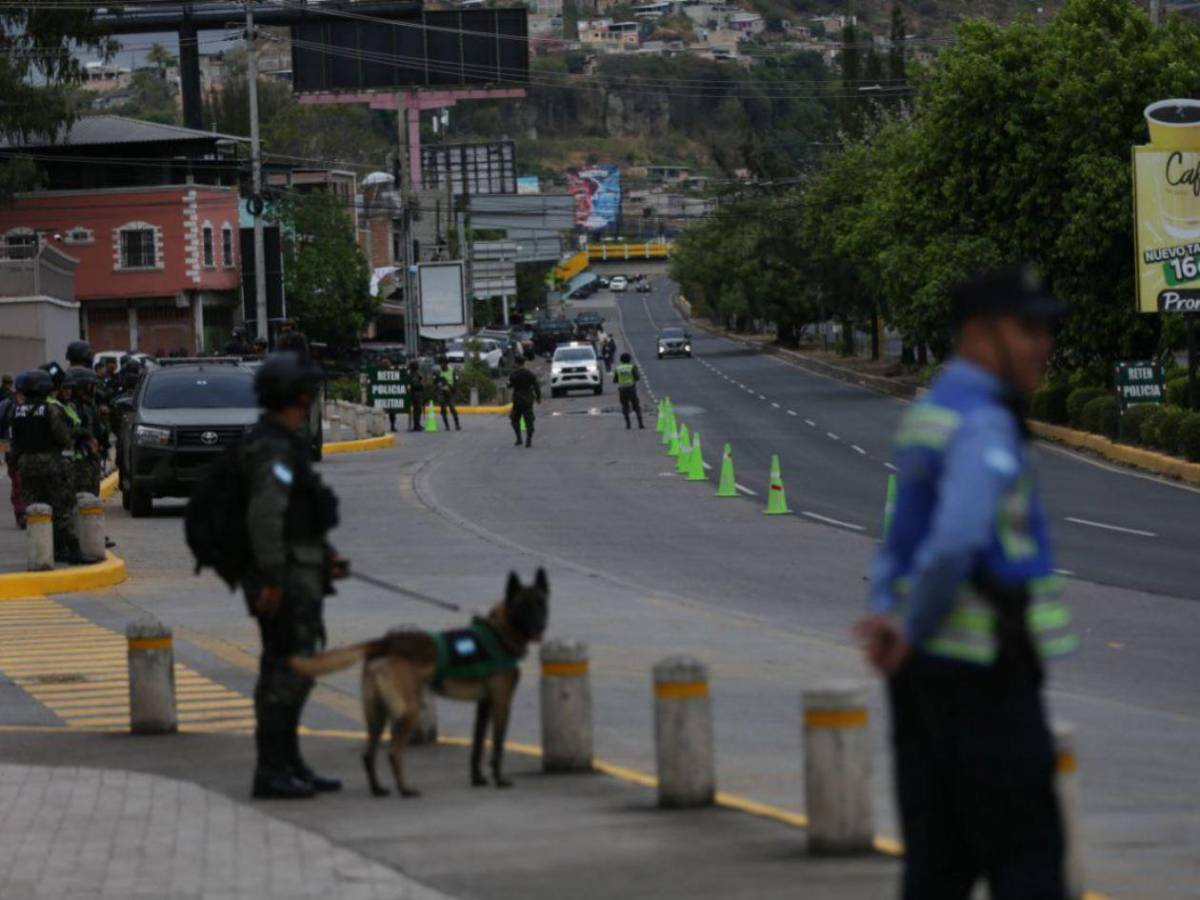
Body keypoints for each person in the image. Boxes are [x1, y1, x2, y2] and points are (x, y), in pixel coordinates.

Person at [856, 266, 1076, 900]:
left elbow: (902, 538)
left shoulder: (934, 410)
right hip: (985, 673)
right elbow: (955, 541)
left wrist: (889, 616)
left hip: (921, 676)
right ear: (980, 334)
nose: (1043, 345)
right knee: (1028, 862)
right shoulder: (983, 421)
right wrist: (911, 624)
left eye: (1047, 330)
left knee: (938, 868)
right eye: (1028, 329)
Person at [241, 352, 347, 800]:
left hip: (298, 568)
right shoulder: (274, 450)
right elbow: (266, 516)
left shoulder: (280, 443)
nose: (309, 404)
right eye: (305, 396)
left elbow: (298, 514)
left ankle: (289, 762)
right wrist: (273, 578)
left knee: (290, 670)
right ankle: (272, 770)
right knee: (287, 673)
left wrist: (325, 555)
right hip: (284, 578)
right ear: (292, 398)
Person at [11, 370, 93, 564]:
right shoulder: (51, 409)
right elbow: (62, 437)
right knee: (61, 507)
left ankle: (42, 552)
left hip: (26, 464)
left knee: (35, 508)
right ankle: (72, 550)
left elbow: (15, 442)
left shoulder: (18, 411)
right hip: (51, 464)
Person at [0, 374, 24, 528]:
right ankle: (20, 513)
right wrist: (4, 451)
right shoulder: (7, 404)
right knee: (17, 482)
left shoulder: (30, 404)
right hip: (12, 450)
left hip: (26, 450)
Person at [507, 355, 541, 448]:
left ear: (516, 363)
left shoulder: (514, 374)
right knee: (529, 420)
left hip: (517, 400)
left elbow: (509, 385)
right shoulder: (529, 374)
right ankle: (528, 440)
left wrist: (509, 383)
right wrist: (538, 397)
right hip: (528, 399)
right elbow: (536, 386)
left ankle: (519, 438)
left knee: (514, 419)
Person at [613, 352, 644, 430]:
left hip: (622, 390)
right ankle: (640, 424)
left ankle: (628, 425)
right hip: (631, 389)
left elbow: (615, 380)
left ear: (621, 360)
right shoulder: (632, 367)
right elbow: (637, 378)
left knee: (625, 406)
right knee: (636, 406)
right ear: (629, 359)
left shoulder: (618, 368)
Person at [433, 357, 461, 431]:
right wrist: (438, 385)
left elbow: (456, 381)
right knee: (443, 409)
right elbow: (434, 382)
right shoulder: (438, 372)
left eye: (444, 363)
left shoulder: (452, 371)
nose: (442, 365)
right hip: (442, 392)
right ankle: (447, 426)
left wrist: (454, 389)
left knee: (452, 407)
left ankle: (457, 424)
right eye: (441, 363)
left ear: (446, 364)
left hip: (450, 392)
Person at [406, 361, 426, 432]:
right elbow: (415, 384)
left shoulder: (414, 374)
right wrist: (421, 385)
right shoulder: (413, 374)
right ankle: (416, 425)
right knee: (417, 409)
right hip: (416, 394)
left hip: (416, 394)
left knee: (417, 409)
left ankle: (417, 424)